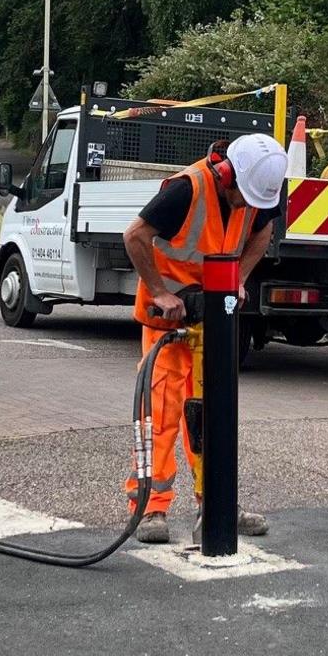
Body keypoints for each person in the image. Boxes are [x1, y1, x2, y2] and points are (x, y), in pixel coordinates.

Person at [121, 131, 287, 545]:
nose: (249, 207)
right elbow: (135, 236)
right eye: (243, 198)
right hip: (168, 321)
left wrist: (241, 277)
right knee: (159, 415)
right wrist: (160, 291)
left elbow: (263, 230)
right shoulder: (184, 190)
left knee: (212, 415)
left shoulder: (259, 191)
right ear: (227, 174)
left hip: (212, 319)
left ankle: (215, 503)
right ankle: (150, 509)